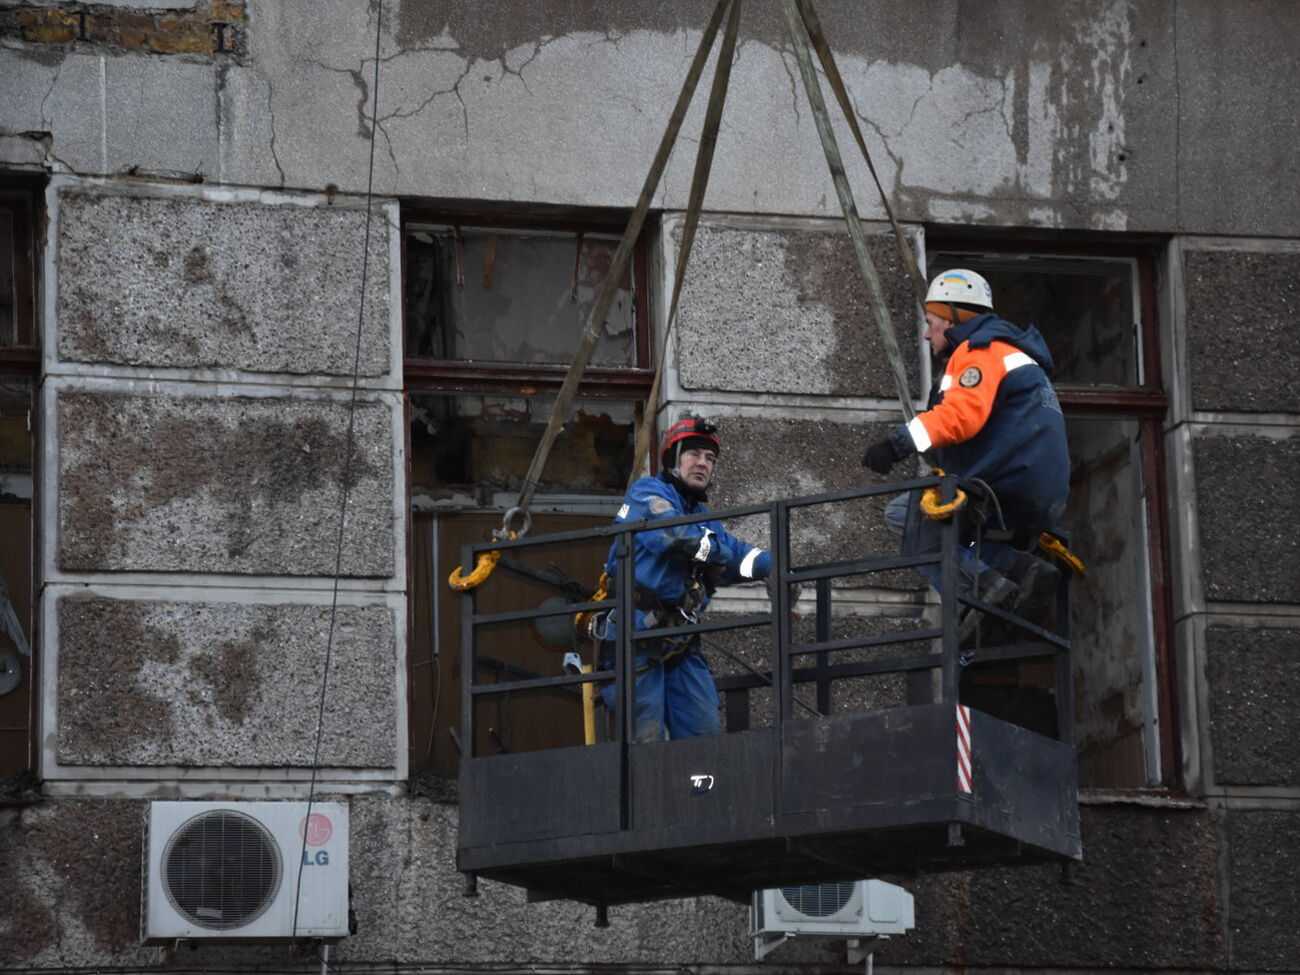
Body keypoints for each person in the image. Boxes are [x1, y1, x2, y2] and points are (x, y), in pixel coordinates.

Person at [861, 268, 1069, 638]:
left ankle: (982, 594)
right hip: (1032, 489)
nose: (927, 333)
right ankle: (1021, 569)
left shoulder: (979, 352)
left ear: (955, 318)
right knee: (959, 533)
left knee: (908, 517)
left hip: (1004, 484)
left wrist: (897, 445)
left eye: (931, 322)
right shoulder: (1010, 353)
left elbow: (961, 418)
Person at [598, 416, 771, 741]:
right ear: (673, 458)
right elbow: (676, 537)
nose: (703, 463)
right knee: (645, 742)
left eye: (710, 458)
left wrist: (774, 567)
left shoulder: (704, 520)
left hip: (679, 643)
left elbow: (741, 558)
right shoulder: (647, 492)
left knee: (703, 737)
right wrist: (719, 555)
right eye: (694, 454)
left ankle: (700, 793)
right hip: (633, 638)